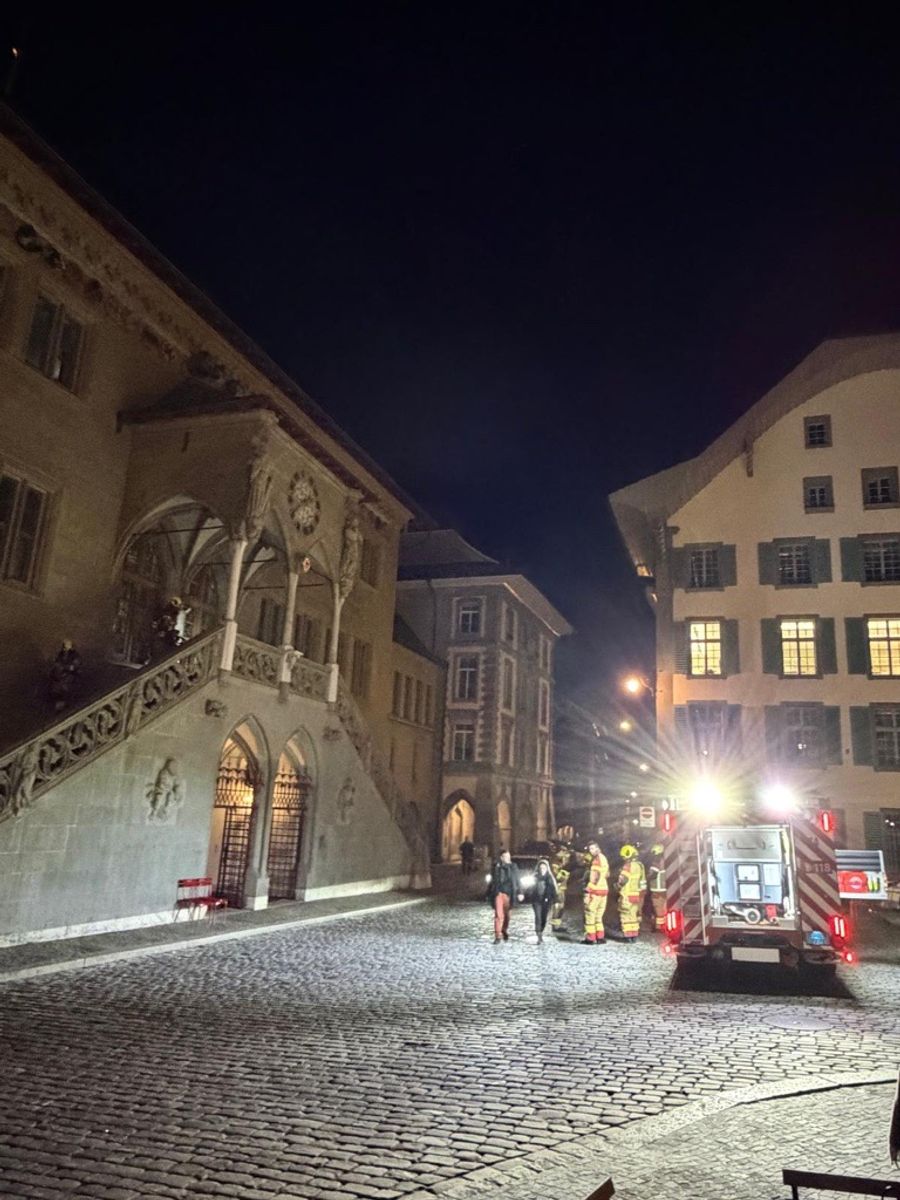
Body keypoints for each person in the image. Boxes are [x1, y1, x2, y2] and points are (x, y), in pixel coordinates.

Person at [487, 850, 524, 943]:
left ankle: (504, 929)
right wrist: (488, 893)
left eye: (509, 856)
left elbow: (517, 880)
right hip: (498, 893)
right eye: (506, 856)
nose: (508, 858)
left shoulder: (513, 867)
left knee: (507, 916)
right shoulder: (496, 867)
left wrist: (520, 892)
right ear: (501, 858)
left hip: (509, 894)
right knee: (498, 915)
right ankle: (497, 935)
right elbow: (492, 881)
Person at [618, 844, 647, 942]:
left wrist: (617, 885)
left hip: (626, 894)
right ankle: (634, 935)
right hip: (636, 894)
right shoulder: (640, 865)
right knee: (633, 915)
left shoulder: (627, 866)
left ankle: (627, 936)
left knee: (625, 915)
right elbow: (642, 881)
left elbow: (623, 880)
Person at [582, 840, 610, 945]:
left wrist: (588, 889)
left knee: (590, 914)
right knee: (599, 916)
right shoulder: (604, 858)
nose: (591, 851)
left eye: (593, 848)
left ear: (597, 848)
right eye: (590, 849)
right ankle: (600, 937)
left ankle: (590, 938)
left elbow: (595, 876)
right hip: (604, 890)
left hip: (595, 892)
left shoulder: (596, 860)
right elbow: (607, 874)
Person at [47, 640, 82, 712]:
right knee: (54, 683)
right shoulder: (61, 654)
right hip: (61, 674)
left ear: (70, 646)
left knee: (64, 685)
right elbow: (57, 662)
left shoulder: (74, 655)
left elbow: (74, 666)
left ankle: (67, 701)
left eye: (66, 646)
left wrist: (64, 667)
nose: (64, 648)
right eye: (63, 647)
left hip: (71, 675)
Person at [531, 858, 558, 944]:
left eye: (544, 868)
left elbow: (553, 890)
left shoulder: (550, 878)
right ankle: (539, 936)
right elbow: (529, 888)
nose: (542, 869)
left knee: (543, 918)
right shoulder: (535, 877)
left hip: (546, 901)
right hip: (536, 900)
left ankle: (541, 930)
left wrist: (555, 900)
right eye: (541, 867)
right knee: (538, 918)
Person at [550, 844, 572, 932]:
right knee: (558, 906)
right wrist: (565, 872)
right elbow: (557, 876)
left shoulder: (560, 862)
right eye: (564, 852)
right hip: (557, 888)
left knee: (561, 906)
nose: (566, 854)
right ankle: (555, 926)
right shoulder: (555, 862)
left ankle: (557, 925)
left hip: (561, 888)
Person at [647, 843, 667, 932]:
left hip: (657, 890)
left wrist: (645, 876)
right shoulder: (666, 860)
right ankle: (662, 924)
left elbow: (652, 875)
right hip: (664, 889)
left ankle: (659, 927)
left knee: (658, 908)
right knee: (663, 907)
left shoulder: (656, 862)